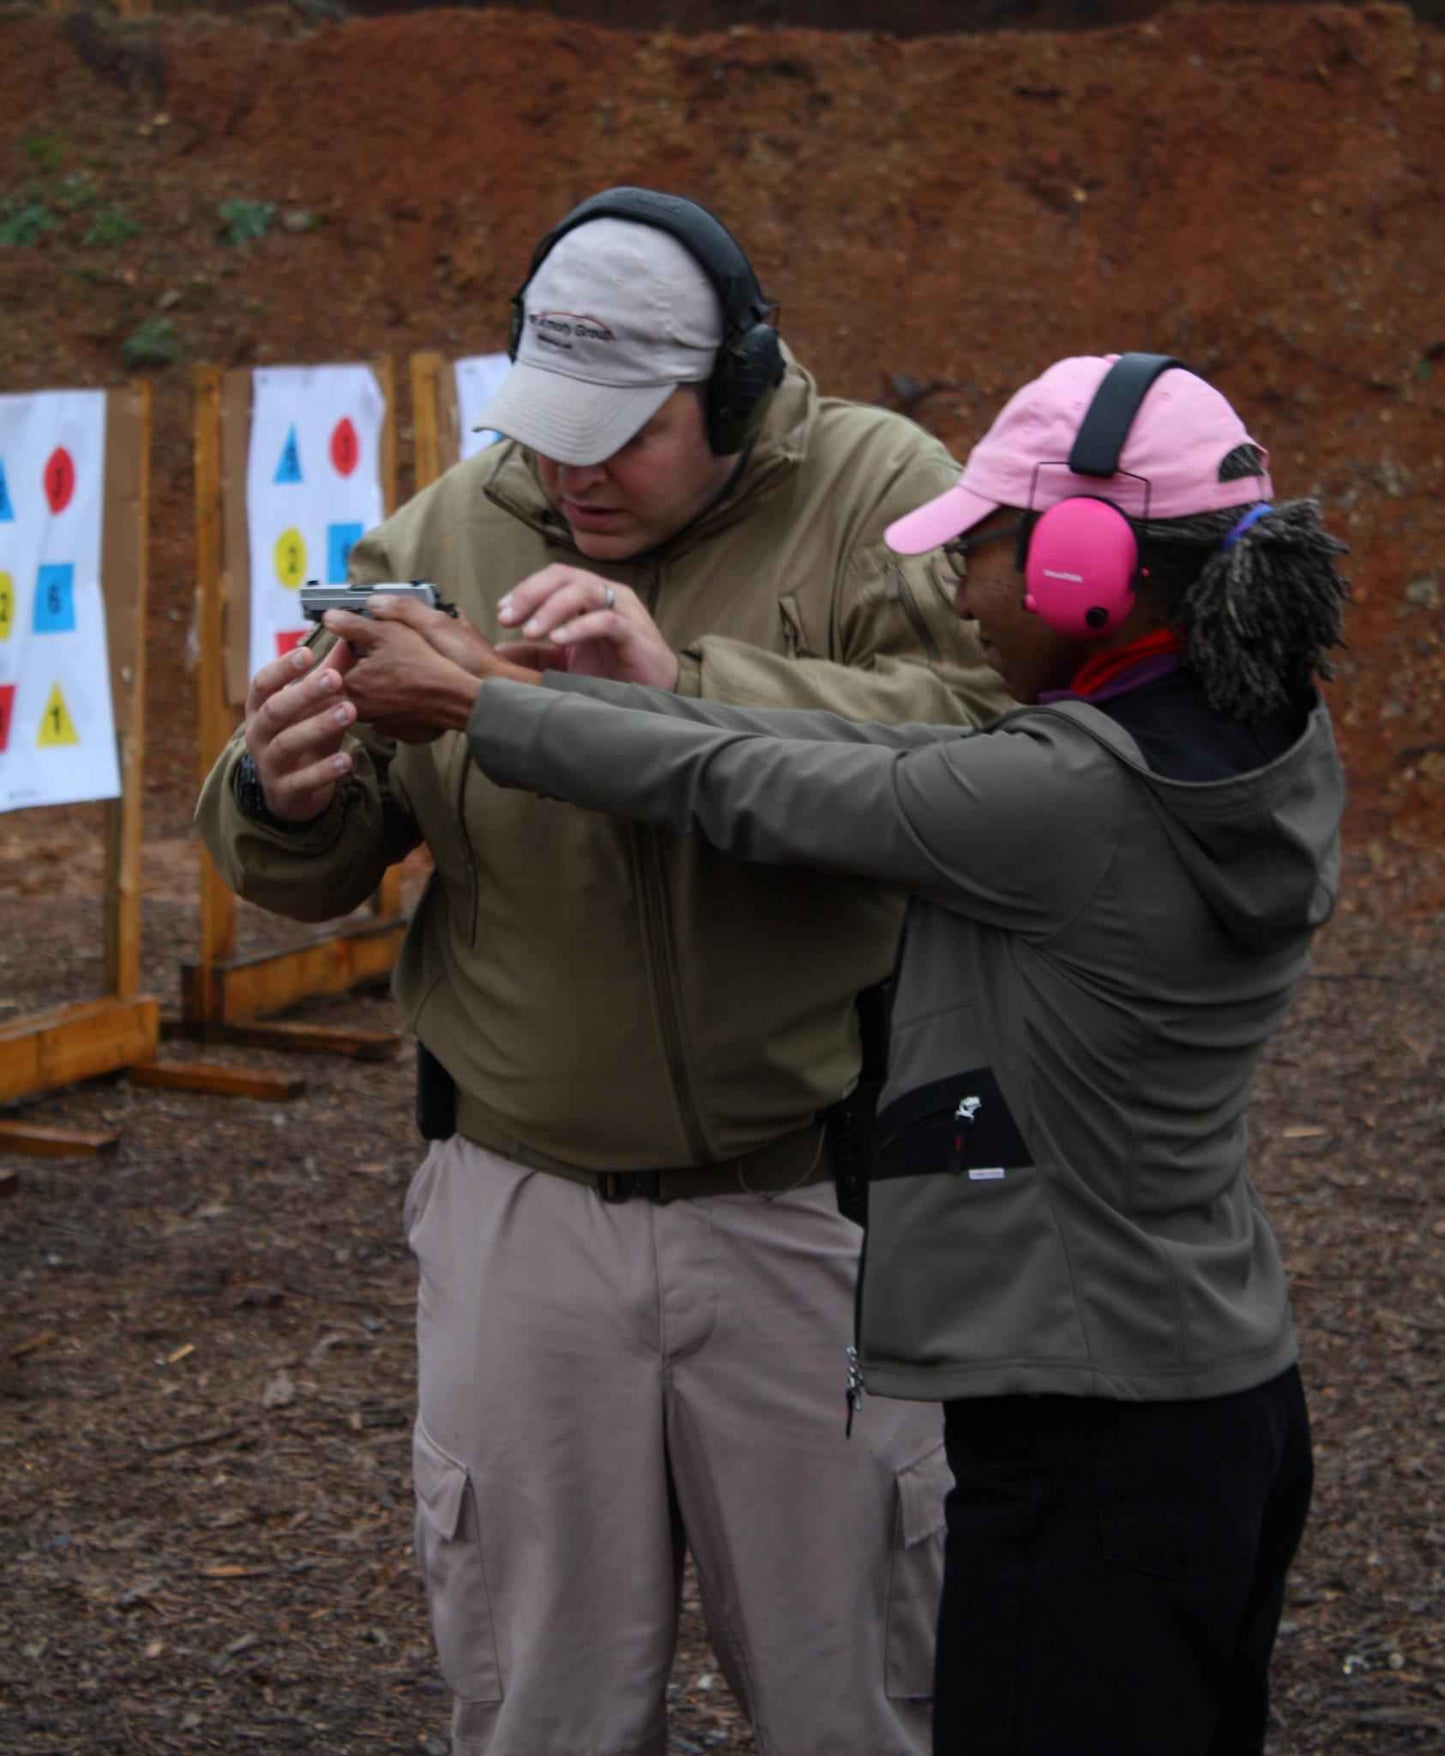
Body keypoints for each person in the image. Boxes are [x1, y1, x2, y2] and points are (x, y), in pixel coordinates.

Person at [332, 352, 1350, 1756]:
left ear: (1087, 572)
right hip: (1203, 1387)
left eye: (985, 553)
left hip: (1086, 1427)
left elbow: (767, 785)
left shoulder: (1062, 797)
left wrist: (476, 708)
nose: (959, 592)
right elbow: (818, 760)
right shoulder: (1244, 736)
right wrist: (543, 686)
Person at [196, 186, 1010, 1756]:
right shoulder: (445, 530)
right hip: (521, 1214)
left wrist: (679, 687)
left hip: (816, 1209)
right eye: (550, 425)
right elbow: (317, 851)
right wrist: (281, 794)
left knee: (862, 1704)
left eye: (626, 431)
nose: (574, 470)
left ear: (735, 390)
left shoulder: (879, 495)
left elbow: (982, 754)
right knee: (539, 1709)